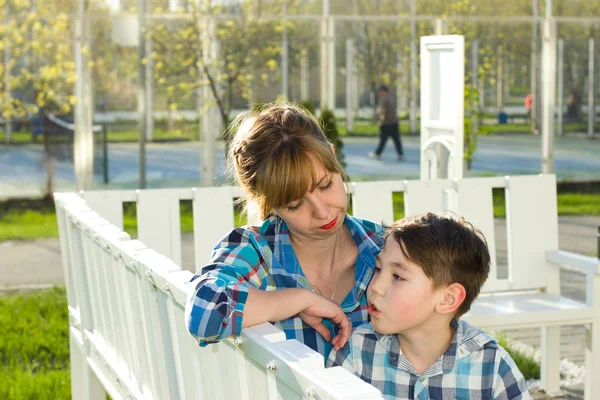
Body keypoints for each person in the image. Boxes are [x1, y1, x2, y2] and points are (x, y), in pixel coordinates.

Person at [185, 103, 385, 359]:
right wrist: (298, 300)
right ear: (268, 203)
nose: (322, 212)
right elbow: (204, 314)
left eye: (326, 185)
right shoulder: (257, 250)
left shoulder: (385, 248)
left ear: (333, 157)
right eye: (294, 204)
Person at [327, 213, 530, 399]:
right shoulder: (356, 352)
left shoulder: (491, 367)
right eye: (378, 269)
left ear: (448, 299)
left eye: (398, 276)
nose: (376, 286)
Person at [368, 85, 404, 161]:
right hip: (394, 122)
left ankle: (377, 154)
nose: (380, 93)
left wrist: (376, 117)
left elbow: (382, 111)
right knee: (396, 140)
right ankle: (400, 154)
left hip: (387, 123)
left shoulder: (384, 99)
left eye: (380, 91)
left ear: (383, 91)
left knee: (383, 140)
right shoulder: (393, 98)